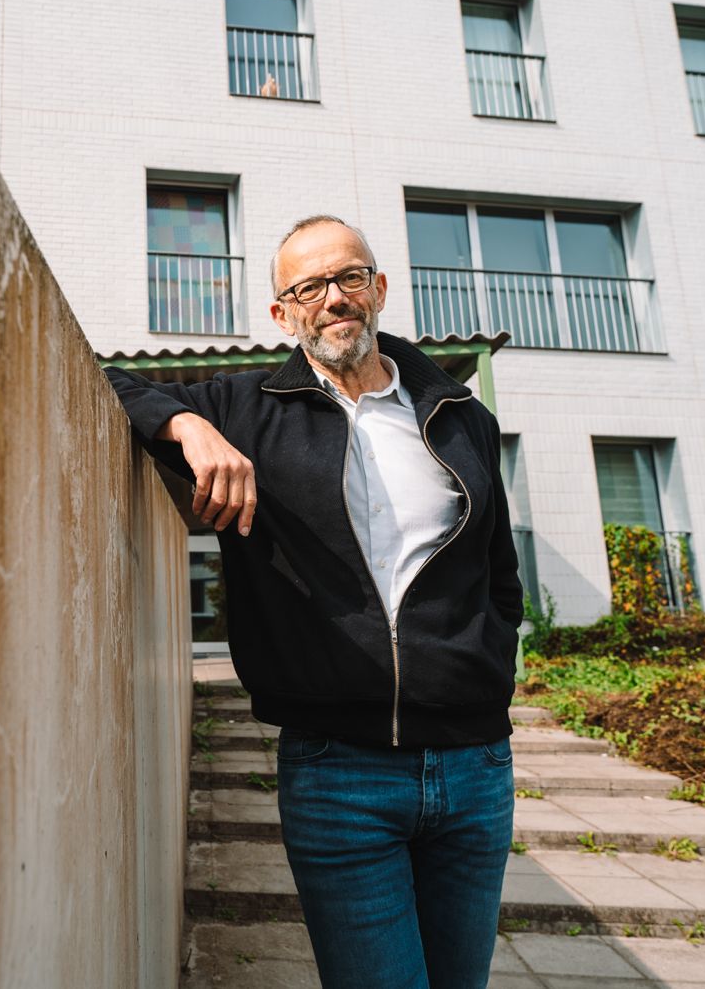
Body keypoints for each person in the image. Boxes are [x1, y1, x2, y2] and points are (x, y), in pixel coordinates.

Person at [106, 216, 522, 989]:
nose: (334, 298)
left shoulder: (463, 417)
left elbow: (500, 574)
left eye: (350, 278)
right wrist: (188, 422)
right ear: (283, 313)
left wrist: (491, 662)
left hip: (474, 770)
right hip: (339, 776)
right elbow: (105, 380)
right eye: (309, 287)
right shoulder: (245, 407)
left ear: (379, 289)